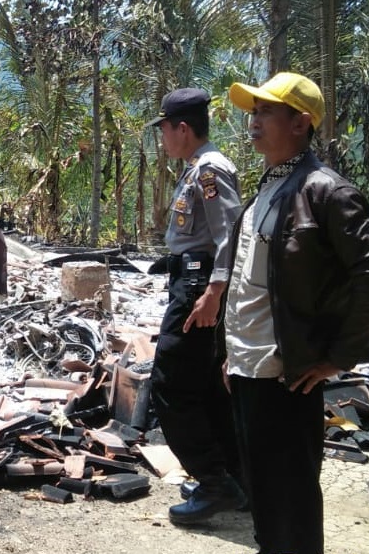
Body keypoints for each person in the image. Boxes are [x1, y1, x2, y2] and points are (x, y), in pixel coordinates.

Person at [224, 72, 369, 554]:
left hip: (287, 372)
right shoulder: (267, 190)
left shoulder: (326, 192)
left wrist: (338, 357)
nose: (253, 121)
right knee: (262, 492)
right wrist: (230, 351)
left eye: (265, 111)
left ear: (300, 123)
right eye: (253, 111)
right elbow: (248, 282)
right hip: (248, 367)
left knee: (293, 497)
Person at [145, 87, 245, 525]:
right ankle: (235, 481)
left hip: (199, 288)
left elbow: (230, 234)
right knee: (206, 386)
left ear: (182, 128)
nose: (162, 139)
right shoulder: (196, 168)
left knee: (170, 385)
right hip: (193, 279)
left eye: (164, 130)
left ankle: (213, 481)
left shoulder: (210, 170)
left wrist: (213, 292)